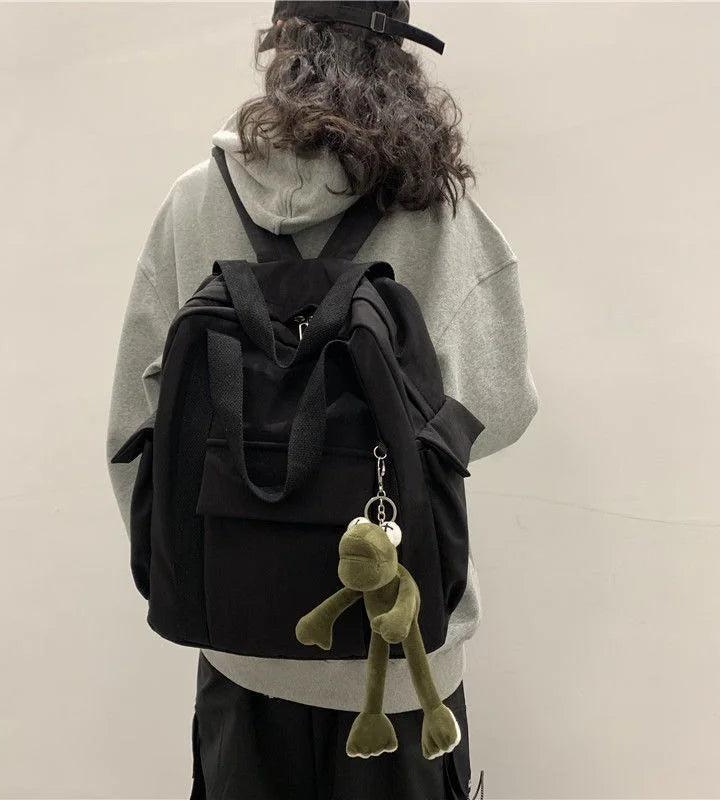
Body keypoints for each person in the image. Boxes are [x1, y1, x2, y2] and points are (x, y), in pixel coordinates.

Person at [107, 2, 539, 798]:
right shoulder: (434, 210)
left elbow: (137, 423)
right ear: (398, 60)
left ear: (282, 47)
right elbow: (504, 404)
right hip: (398, 666)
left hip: (238, 653)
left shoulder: (194, 201)